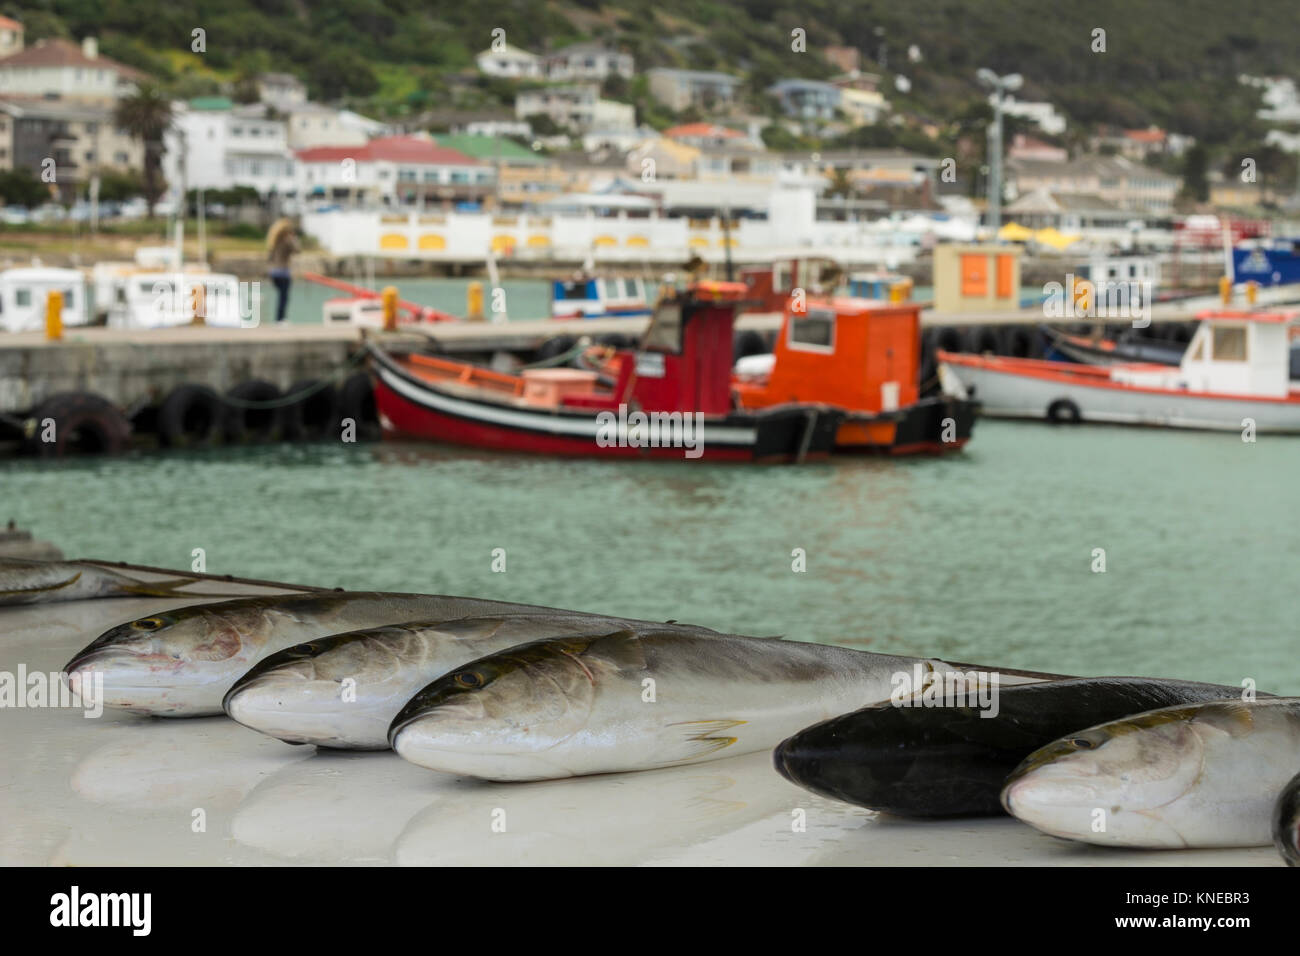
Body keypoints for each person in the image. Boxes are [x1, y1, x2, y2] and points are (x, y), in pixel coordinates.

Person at [266, 217, 299, 322]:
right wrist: (294, 238)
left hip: (274, 273)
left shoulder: (273, 241)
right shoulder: (287, 241)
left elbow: (269, 258)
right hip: (283, 273)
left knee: (281, 296)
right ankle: (280, 319)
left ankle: (279, 318)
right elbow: (297, 250)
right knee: (284, 297)